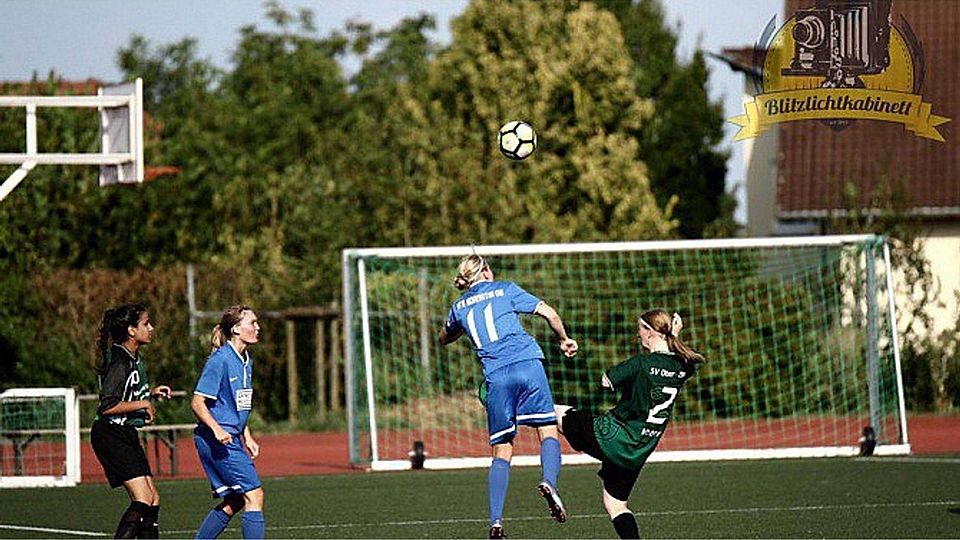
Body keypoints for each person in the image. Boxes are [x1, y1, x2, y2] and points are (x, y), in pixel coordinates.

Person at [439, 254, 578, 539]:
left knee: (502, 450)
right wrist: (564, 339)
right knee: (547, 431)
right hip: (529, 365)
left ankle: (496, 521)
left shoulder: (458, 307)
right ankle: (549, 482)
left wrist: (456, 330)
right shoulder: (507, 288)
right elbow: (549, 313)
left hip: (497, 378)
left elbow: (443, 337)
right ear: (486, 272)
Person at [555, 309, 704, 539]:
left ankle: (507, 408)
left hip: (612, 437)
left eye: (640, 329)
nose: (638, 334)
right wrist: (674, 334)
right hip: (639, 450)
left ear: (651, 332)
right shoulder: (684, 366)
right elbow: (678, 359)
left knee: (556, 412)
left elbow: (606, 381)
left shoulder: (642, 363)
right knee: (615, 504)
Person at [91, 303, 172, 539]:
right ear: (131, 331)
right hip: (110, 435)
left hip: (124, 434)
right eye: (146, 324)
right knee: (143, 499)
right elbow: (107, 405)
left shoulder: (133, 357)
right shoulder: (120, 361)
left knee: (153, 499)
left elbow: (126, 396)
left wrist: (150, 394)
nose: (152, 328)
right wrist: (144, 404)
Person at [192, 305, 265, 540]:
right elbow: (197, 403)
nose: (257, 327)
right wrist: (217, 429)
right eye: (252, 323)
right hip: (216, 440)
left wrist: (247, 435)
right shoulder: (221, 360)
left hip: (231, 438)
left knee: (234, 500)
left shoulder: (246, 361)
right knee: (255, 495)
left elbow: (238, 404)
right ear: (236, 328)